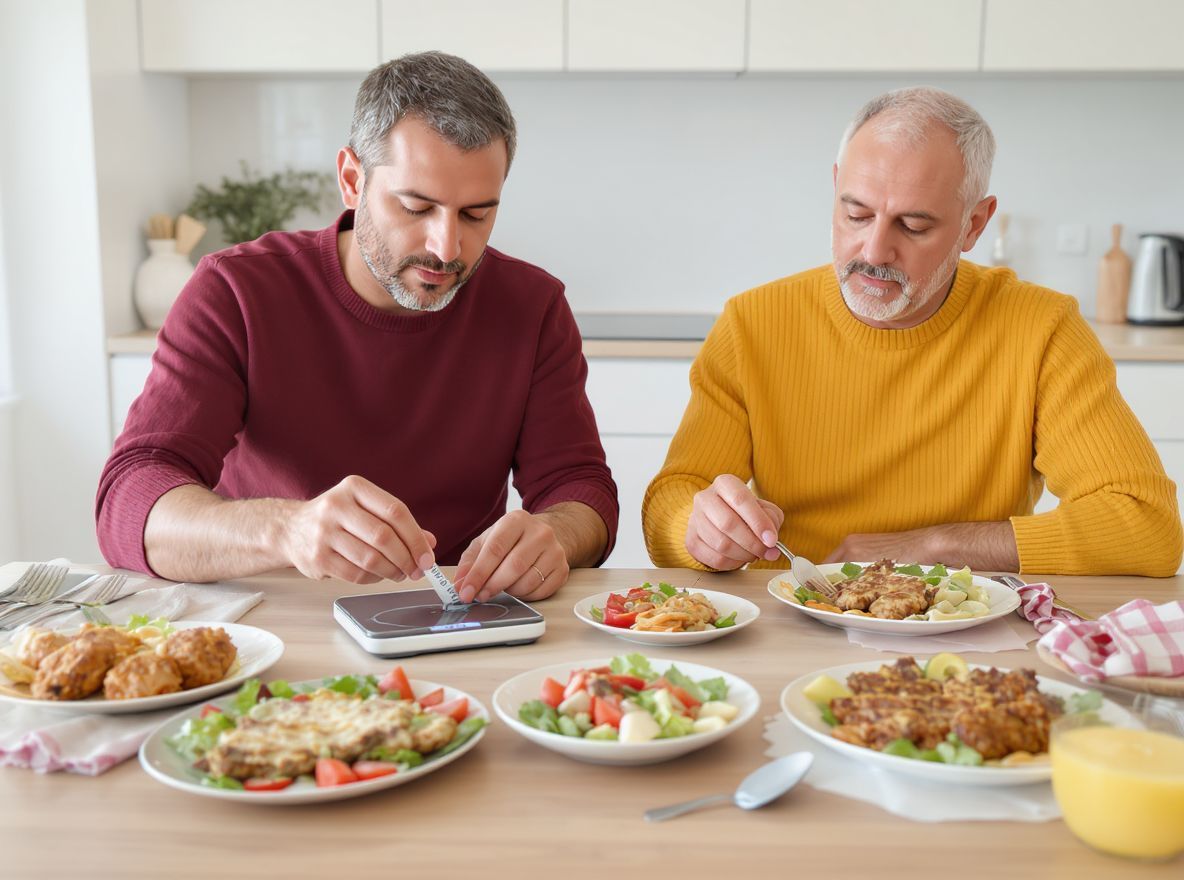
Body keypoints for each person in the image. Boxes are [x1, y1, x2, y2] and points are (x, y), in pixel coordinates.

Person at [97, 52, 618, 602]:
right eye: (416, 208)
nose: (447, 248)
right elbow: (128, 501)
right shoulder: (236, 291)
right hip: (275, 617)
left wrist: (555, 533)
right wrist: (288, 530)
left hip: (457, 618)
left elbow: (581, 489)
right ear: (352, 179)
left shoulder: (532, 306)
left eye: (475, 215)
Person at [643, 86, 1182, 577]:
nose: (874, 252)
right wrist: (701, 530)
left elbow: (1147, 528)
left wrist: (937, 546)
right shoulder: (752, 324)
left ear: (974, 224)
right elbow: (673, 501)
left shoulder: (1041, 330)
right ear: (835, 187)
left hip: (967, 625)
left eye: (914, 225)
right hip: (794, 623)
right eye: (856, 214)